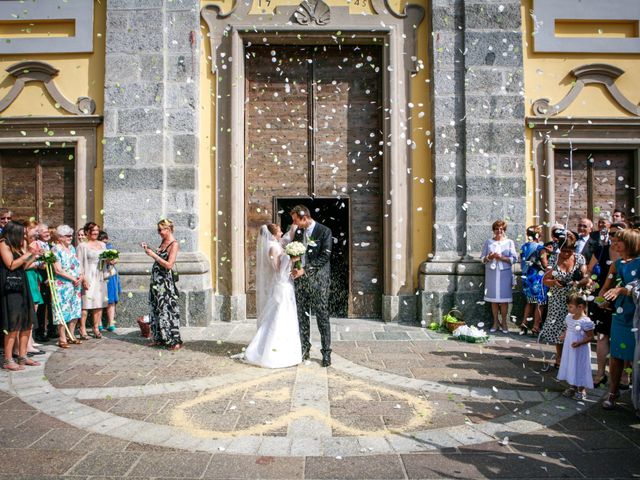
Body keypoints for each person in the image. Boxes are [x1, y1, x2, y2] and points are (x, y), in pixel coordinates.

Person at [244, 224, 301, 368]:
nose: (282, 232)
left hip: (284, 285)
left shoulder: (274, 244)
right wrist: (291, 260)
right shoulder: (273, 247)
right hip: (282, 286)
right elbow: (278, 271)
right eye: (279, 231)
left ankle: (283, 349)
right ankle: (273, 352)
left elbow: (286, 240)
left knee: (281, 316)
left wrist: (293, 230)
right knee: (280, 316)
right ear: (273, 234)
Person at [288, 205, 332, 367]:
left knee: (322, 317)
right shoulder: (299, 232)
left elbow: (325, 257)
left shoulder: (324, 231)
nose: (295, 224)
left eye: (296, 220)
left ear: (304, 218)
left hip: (319, 282)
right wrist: (294, 261)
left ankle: (326, 353)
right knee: (302, 316)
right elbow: (295, 252)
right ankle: (304, 349)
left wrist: (304, 270)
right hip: (301, 282)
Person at [601, 228, 640, 409]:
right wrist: (601, 301)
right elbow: (607, 285)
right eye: (614, 240)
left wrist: (622, 290)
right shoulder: (616, 264)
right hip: (620, 314)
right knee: (616, 355)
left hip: (636, 314)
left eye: (619, 241)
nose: (614, 244)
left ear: (631, 243)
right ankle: (613, 391)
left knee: (635, 357)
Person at [541, 232, 589, 369]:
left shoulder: (579, 259)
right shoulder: (554, 259)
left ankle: (572, 356)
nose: (566, 254)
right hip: (557, 297)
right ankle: (559, 356)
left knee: (573, 326)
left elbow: (586, 278)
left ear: (573, 250)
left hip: (574, 298)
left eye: (569, 251)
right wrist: (555, 283)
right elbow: (545, 280)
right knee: (558, 327)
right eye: (563, 251)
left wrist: (579, 282)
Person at [587, 222, 626, 388]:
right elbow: (589, 271)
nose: (614, 237)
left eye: (617, 234)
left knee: (621, 337)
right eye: (611, 234)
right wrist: (591, 284)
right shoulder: (601, 251)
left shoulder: (629, 255)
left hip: (624, 300)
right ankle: (600, 373)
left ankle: (623, 375)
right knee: (602, 336)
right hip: (602, 296)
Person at [0, 221, 43, 370]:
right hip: (10, 288)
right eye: (22, 233)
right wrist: (29, 253)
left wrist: (34, 256)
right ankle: (7, 359)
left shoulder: (16, 246)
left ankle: (22, 356)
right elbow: (11, 264)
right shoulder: (3, 243)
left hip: (22, 285)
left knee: (26, 321)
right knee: (13, 323)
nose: (24, 235)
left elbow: (23, 266)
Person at [142, 219, 182, 350]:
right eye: (158, 230)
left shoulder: (173, 244)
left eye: (160, 230)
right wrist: (149, 249)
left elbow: (169, 265)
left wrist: (153, 255)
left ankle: (173, 340)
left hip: (165, 283)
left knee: (167, 310)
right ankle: (159, 338)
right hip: (156, 282)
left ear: (168, 229)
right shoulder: (163, 241)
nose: (158, 232)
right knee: (155, 309)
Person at [480, 220, 518, 334]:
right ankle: (495, 322)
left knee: (504, 300)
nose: (499, 231)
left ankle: (504, 322)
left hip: (504, 273)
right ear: (493, 230)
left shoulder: (509, 242)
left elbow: (514, 259)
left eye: (501, 229)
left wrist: (502, 257)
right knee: (494, 300)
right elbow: (482, 259)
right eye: (497, 229)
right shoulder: (489, 242)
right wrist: (489, 257)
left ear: (504, 230)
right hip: (492, 273)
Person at [558, 293, 595, 401]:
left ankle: (581, 389)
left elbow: (590, 337)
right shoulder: (569, 317)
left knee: (580, 366)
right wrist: (564, 335)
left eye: (570, 306)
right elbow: (568, 328)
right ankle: (572, 386)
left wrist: (580, 343)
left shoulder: (586, 321)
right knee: (571, 364)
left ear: (580, 307)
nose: (568, 308)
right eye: (568, 306)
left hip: (580, 349)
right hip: (569, 347)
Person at [52, 225, 83, 348]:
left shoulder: (72, 248)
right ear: (60, 237)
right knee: (62, 310)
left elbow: (77, 264)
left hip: (75, 284)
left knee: (75, 309)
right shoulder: (55, 249)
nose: (70, 237)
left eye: (71, 235)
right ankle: (62, 338)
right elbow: (58, 270)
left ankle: (71, 335)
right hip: (62, 285)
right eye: (67, 236)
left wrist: (81, 275)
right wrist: (72, 278)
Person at [76, 222, 108, 339]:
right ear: (87, 232)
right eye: (92, 230)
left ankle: (95, 327)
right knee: (85, 304)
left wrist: (111, 260)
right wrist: (83, 278)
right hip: (88, 275)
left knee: (98, 303)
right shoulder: (82, 246)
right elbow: (78, 264)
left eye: (96, 230)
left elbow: (106, 261)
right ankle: (82, 328)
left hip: (99, 275)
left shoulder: (102, 245)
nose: (95, 232)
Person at [519, 225, 547, 335]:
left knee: (530, 302)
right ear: (538, 235)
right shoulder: (540, 248)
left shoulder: (524, 246)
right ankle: (535, 326)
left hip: (527, 276)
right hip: (538, 277)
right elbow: (545, 264)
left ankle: (524, 323)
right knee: (540, 303)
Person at [98, 230, 121, 332]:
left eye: (106, 241)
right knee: (99, 300)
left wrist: (110, 260)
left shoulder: (110, 247)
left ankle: (111, 322)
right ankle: (98, 322)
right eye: (103, 241)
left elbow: (115, 260)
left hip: (110, 275)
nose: (105, 244)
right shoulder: (95, 248)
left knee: (111, 300)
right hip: (99, 275)